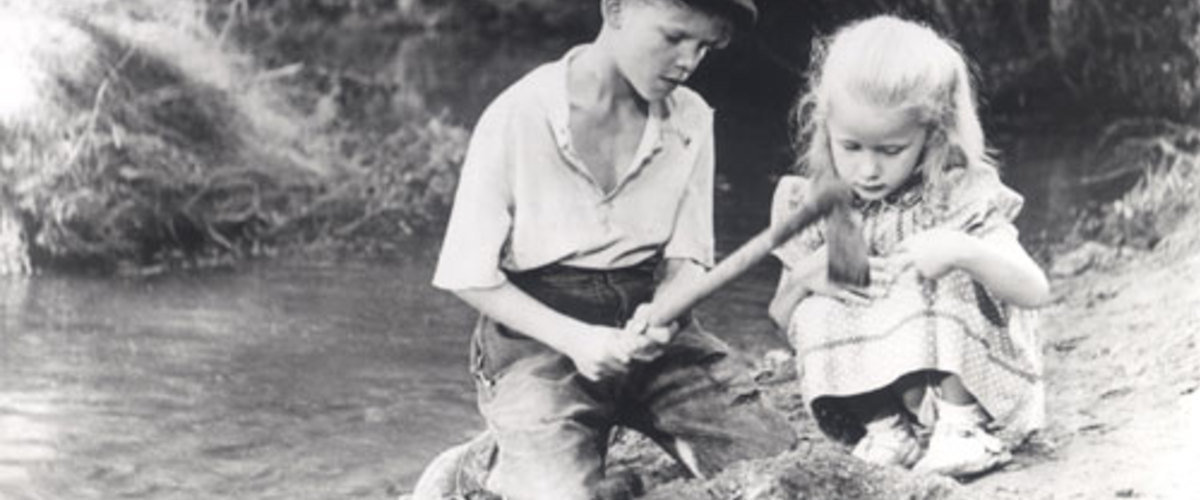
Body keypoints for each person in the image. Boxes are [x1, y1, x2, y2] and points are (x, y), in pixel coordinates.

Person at [413, 1, 796, 498]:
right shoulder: (519, 114)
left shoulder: (691, 120)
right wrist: (577, 340)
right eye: (674, 37)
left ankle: (606, 467)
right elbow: (466, 273)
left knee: (778, 464)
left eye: (703, 46)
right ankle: (482, 465)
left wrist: (663, 313)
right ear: (615, 8)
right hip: (538, 341)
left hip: (649, 327)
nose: (688, 61)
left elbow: (688, 260)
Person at [767, 15, 1051, 478]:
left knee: (953, 278)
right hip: (887, 383)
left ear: (932, 135)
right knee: (813, 308)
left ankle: (964, 428)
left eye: (891, 149)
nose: (868, 170)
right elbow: (783, 319)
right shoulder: (819, 203)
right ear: (825, 128)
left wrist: (961, 249)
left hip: (976, 383)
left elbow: (1036, 290)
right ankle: (888, 431)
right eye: (851, 146)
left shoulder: (956, 194)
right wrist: (806, 276)